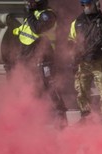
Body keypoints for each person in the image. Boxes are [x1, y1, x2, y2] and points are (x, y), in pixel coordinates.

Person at [11, 0, 68, 129]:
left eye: (32, 1)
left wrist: (30, 13)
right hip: (29, 59)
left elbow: (37, 29)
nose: (29, 3)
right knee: (31, 89)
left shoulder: (47, 15)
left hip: (45, 59)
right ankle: (33, 119)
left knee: (51, 87)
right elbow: (23, 34)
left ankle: (61, 118)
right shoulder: (32, 14)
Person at [68, 0, 102, 123]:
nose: (87, 7)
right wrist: (74, 53)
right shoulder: (77, 22)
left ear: (96, 4)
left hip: (99, 62)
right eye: (84, 5)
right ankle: (86, 116)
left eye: (89, 4)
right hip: (83, 62)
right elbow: (70, 39)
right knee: (82, 91)